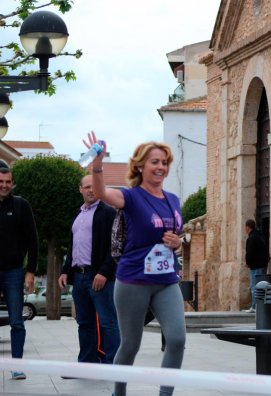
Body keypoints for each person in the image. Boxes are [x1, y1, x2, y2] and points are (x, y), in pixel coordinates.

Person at [85, 132, 185, 396]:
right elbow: (100, 192)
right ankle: (119, 393)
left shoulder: (173, 200)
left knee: (177, 339)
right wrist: (97, 165)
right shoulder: (131, 197)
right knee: (130, 345)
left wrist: (177, 243)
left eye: (164, 162)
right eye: (154, 162)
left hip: (166, 280)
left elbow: (177, 237)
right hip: (133, 280)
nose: (161, 167)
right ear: (140, 165)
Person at [58, 174, 120, 367]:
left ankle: (113, 365)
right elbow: (73, 246)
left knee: (108, 322)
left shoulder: (108, 212)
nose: (91, 190)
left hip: (100, 277)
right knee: (84, 324)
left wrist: (104, 272)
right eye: (87, 187)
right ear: (81, 190)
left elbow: (116, 246)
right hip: (79, 277)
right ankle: (86, 364)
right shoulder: (78, 214)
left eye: (94, 186)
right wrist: (65, 271)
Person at [0, 162, 39, 380]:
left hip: (14, 272)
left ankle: (17, 365)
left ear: (12, 184)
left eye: (8, 182)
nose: (5, 186)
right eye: (1, 182)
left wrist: (30, 271)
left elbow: (32, 241)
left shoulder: (21, 205)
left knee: (17, 320)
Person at [243, 219, 268, 313]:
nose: (244, 229)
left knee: (255, 286)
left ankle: (254, 306)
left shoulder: (251, 238)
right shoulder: (260, 235)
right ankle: (259, 306)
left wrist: (248, 263)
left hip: (256, 265)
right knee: (261, 286)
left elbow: (250, 253)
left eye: (245, 227)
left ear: (248, 227)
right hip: (262, 264)